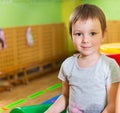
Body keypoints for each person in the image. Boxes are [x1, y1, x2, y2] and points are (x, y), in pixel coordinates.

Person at [44, 4, 120, 113]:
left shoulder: (109, 66)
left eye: (92, 33)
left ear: (103, 35)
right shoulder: (68, 65)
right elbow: (65, 97)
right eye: (79, 34)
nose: (85, 40)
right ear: (71, 35)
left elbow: (113, 105)